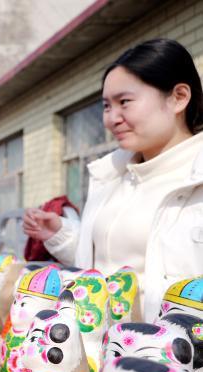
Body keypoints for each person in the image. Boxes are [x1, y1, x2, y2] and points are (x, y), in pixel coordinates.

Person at [23, 38, 203, 323]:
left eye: (125, 102)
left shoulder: (195, 177)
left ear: (179, 97)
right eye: (107, 106)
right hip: (98, 344)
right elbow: (104, 265)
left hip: (169, 348)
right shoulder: (111, 175)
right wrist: (60, 234)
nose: (111, 118)